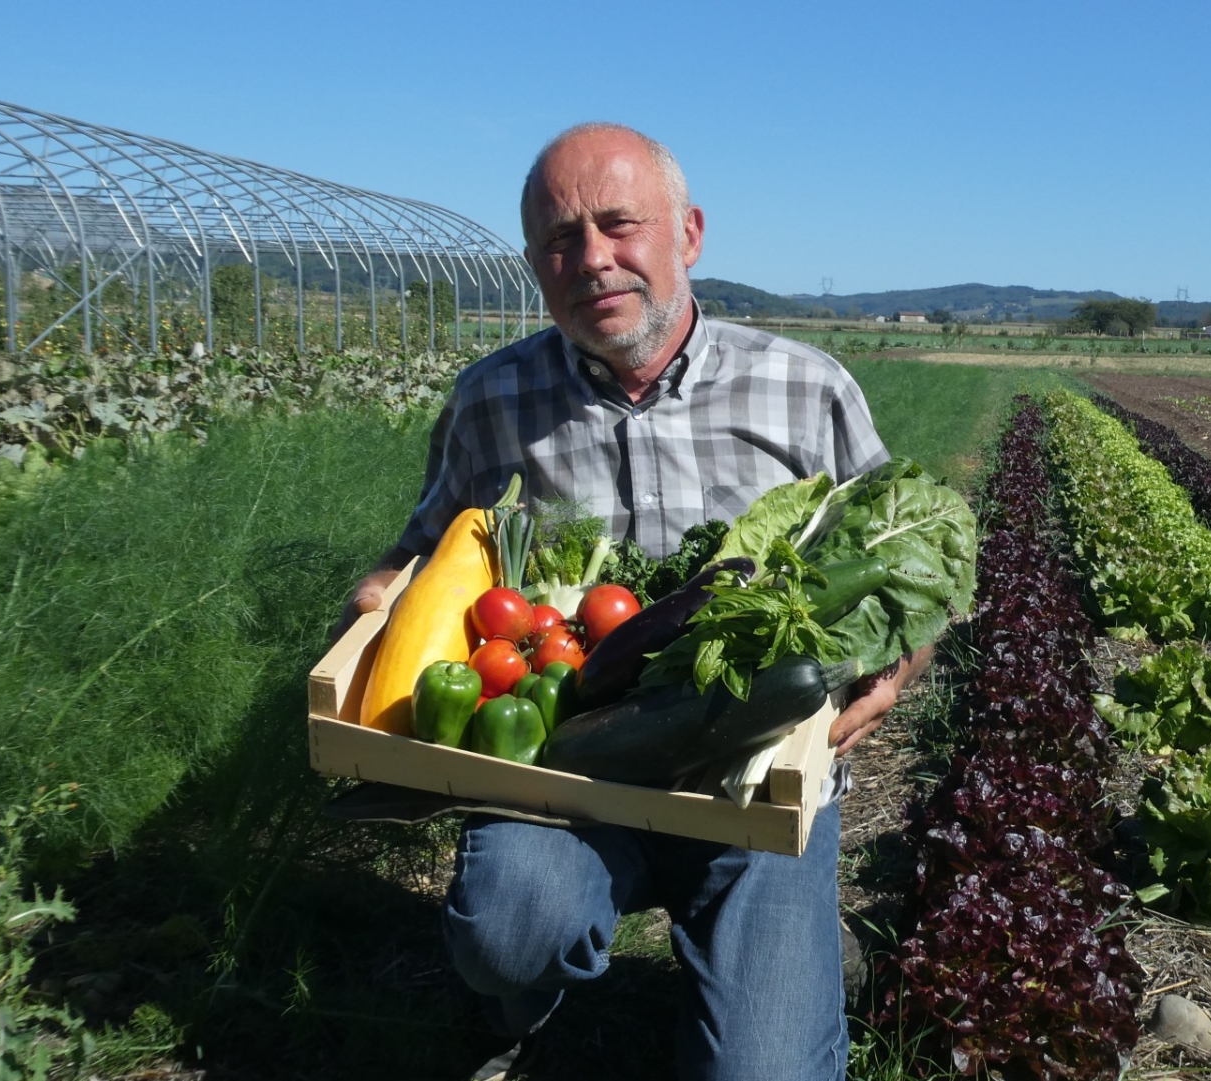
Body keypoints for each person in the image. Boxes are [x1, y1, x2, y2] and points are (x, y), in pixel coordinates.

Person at [336, 123, 932, 1081]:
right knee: (506, 933)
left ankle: (750, 968)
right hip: (565, 775)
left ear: (688, 234)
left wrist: (895, 672)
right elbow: (422, 551)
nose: (593, 260)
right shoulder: (493, 399)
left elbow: (909, 584)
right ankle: (523, 993)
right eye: (560, 241)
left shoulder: (806, 387)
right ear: (535, 263)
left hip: (755, 781)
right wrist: (378, 594)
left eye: (620, 225)